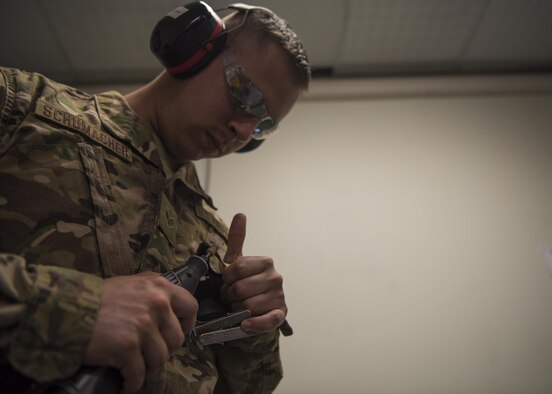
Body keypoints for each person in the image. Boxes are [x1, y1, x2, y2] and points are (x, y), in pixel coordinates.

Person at [0, 1, 310, 393]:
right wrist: (72, 310)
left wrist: (254, 324)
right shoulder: (21, 108)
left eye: (262, 125)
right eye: (244, 93)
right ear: (193, 47)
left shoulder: (213, 236)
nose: (242, 130)